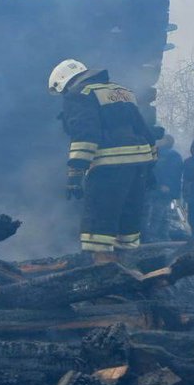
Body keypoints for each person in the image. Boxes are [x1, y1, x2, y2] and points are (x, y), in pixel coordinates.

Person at [48, 59, 156, 263]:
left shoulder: (79, 94)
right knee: (127, 221)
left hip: (110, 166)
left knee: (99, 221)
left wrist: (75, 174)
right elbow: (144, 130)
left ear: (64, 83)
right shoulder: (122, 91)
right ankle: (127, 269)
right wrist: (150, 169)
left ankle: (103, 273)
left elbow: (85, 135)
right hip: (139, 164)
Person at [145, 133, 183, 240]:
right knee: (163, 215)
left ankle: (152, 238)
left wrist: (166, 185)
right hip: (156, 187)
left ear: (167, 142)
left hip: (164, 189)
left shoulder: (172, 156)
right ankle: (164, 237)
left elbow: (173, 172)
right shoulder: (157, 153)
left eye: (161, 139)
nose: (158, 141)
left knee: (157, 213)